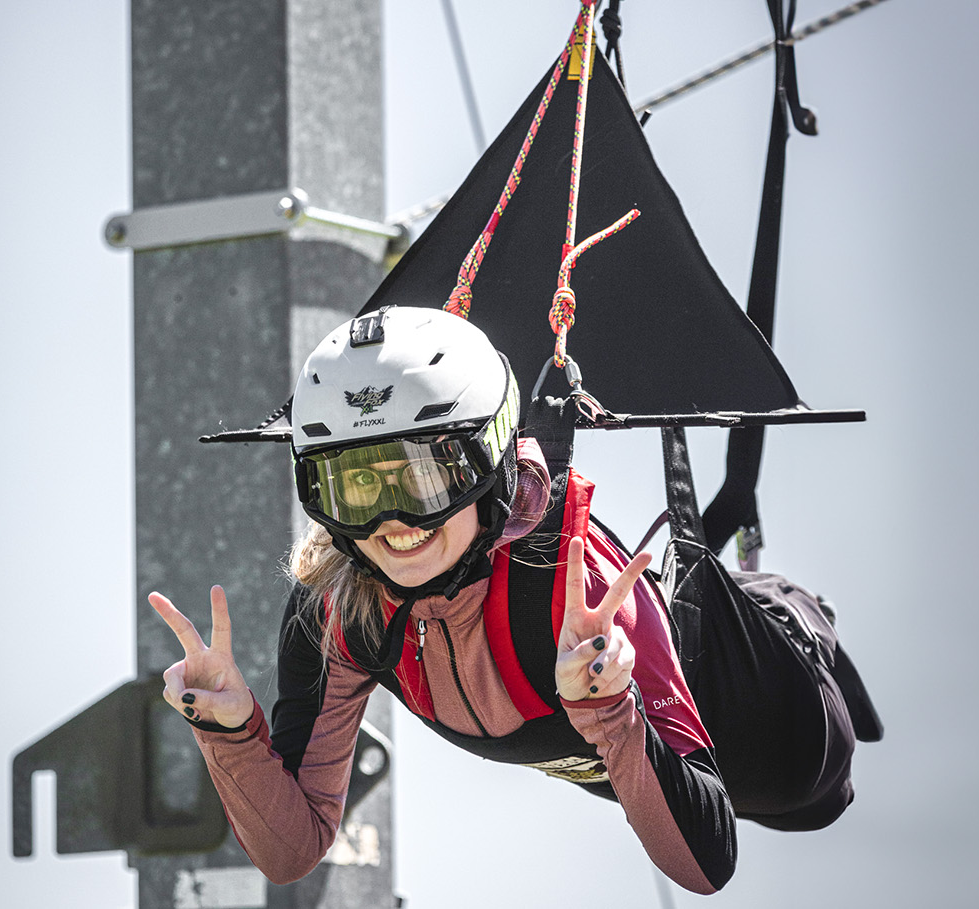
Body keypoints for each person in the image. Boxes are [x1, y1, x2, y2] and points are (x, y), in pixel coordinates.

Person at [149, 306, 737, 894]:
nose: (393, 521)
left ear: (489, 467)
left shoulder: (575, 585)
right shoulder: (336, 608)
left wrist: (612, 708)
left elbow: (708, 865)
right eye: (358, 485)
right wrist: (229, 730)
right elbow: (291, 853)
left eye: (425, 476)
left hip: (774, 718)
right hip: (637, 778)